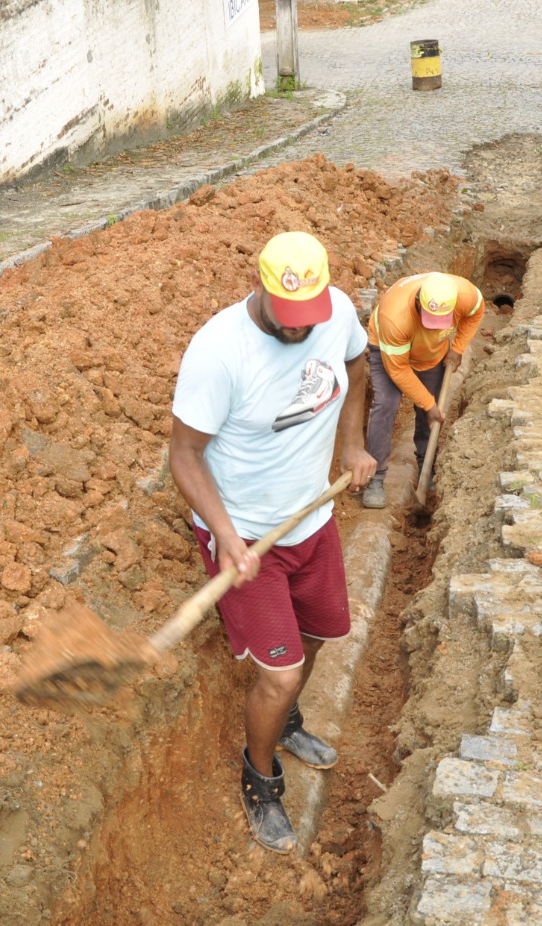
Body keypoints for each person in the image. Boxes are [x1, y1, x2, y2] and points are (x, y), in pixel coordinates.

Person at [169, 231, 378, 853]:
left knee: (318, 634)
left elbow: (357, 367)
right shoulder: (219, 352)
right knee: (281, 675)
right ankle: (260, 780)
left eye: (306, 316)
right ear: (258, 286)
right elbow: (184, 455)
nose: (298, 328)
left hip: (311, 519)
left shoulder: (336, 312)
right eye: (287, 317)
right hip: (247, 535)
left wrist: (352, 444)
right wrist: (226, 536)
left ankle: (285, 725)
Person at [360, 271, 485, 509]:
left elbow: (476, 312)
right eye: (430, 320)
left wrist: (458, 348)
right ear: (419, 302)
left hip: (431, 354)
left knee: (430, 413)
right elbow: (398, 371)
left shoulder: (464, 293)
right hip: (388, 349)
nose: (434, 328)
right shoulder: (394, 317)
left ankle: (427, 469)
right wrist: (428, 404)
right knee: (386, 404)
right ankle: (375, 477)